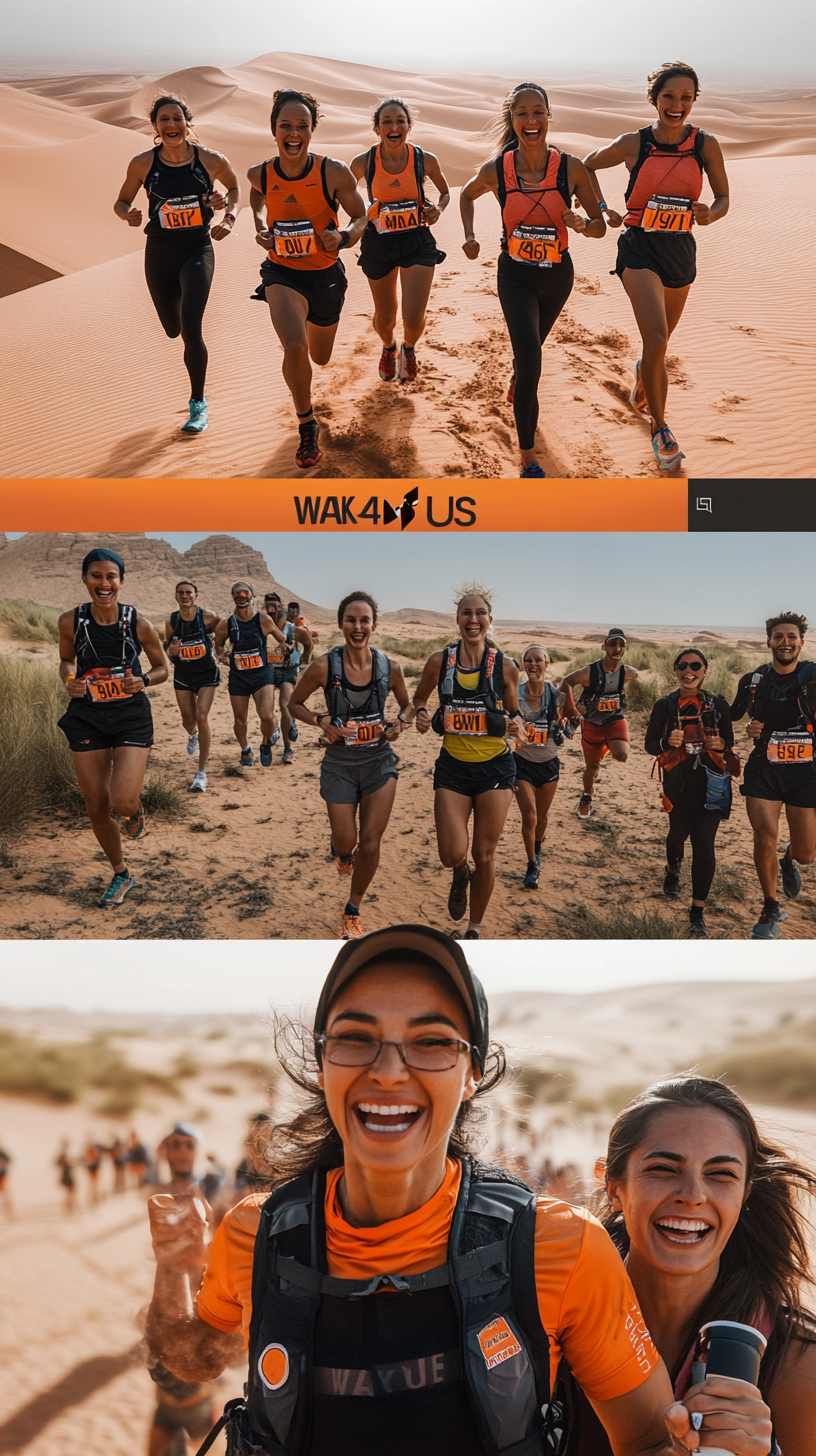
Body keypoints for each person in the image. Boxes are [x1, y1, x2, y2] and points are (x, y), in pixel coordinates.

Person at [145, 923, 728, 1456]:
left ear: (473, 1074)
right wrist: (173, 1269)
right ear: (323, 1065)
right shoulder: (260, 1234)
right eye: (355, 1037)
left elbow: (650, 1439)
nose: (390, 1071)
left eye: (431, 1042)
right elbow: (196, 1358)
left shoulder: (560, 1247)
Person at [576, 1073, 815, 1456]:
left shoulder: (798, 1366)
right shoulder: (551, 1321)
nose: (693, 1195)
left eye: (721, 1174)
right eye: (664, 1169)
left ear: (745, 1196)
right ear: (613, 1187)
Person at [583, 62, 730, 473]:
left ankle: (643, 375)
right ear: (655, 99)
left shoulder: (706, 145)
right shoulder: (634, 143)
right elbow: (587, 166)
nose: (677, 105)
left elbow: (723, 198)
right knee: (659, 339)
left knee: (657, 345)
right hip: (639, 248)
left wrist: (710, 214)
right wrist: (599, 208)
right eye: (669, 96)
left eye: (686, 97)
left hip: (681, 250)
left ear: (694, 101)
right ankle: (661, 430)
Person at [460, 83, 605, 478]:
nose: (531, 120)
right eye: (522, 113)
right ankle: (528, 459)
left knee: (531, 351)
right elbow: (467, 196)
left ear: (548, 116)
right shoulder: (498, 170)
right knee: (531, 366)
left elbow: (599, 227)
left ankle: (519, 376)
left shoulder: (571, 168)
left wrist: (583, 224)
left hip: (558, 277)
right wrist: (470, 236)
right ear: (512, 119)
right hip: (515, 276)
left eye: (538, 111)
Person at [248, 89, 368, 468]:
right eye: (286, 125)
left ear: (312, 131)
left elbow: (361, 215)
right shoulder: (260, 173)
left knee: (320, 356)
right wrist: (258, 223)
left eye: (302, 125)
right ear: (274, 130)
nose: (294, 133)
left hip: (326, 276)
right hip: (281, 273)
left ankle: (309, 392)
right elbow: (256, 194)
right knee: (295, 348)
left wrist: (345, 236)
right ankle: (305, 426)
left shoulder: (332, 172)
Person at [114, 94, 240, 435]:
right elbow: (121, 200)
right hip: (158, 252)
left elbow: (235, 190)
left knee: (191, 327)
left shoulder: (210, 160)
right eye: (164, 120)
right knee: (173, 328)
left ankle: (198, 405)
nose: (171, 125)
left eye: (177, 118)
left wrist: (227, 214)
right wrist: (128, 214)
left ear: (187, 123)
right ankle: (183, 308)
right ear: (155, 126)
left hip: (197, 248)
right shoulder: (143, 164)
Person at [290, 592, 411, 939]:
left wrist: (398, 725)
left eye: (364, 621)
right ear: (341, 623)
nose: (358, 627)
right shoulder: (325, 666)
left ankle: (352, 910)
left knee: (370, 844)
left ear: (374, 625)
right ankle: (342, 852)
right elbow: (294, 704)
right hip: (339, 763)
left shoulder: (391, 668)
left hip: (379, 762)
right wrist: (320, 719)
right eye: (351, 620)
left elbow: (406, 708)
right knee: (346, 845)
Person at [407, 587, 523, 939]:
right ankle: (459, 872)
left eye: (479, 613)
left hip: (496, 769)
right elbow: (419, 699)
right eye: (465, 613)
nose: (473, 620)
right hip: (453, 768)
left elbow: (516, 716)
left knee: (485, 854)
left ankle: (474, 930)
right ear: (457, 620)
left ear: (489, 619)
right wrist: (423, 715)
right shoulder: (439, 661)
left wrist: (516, 729)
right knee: (451, 853)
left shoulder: (505, 666)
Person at [57, 547, 168, 908]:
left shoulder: (138, 623)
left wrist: (144, 681)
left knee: (121, 801)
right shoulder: (69, 621)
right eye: (96, 576)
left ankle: (134, 813)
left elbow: (162, 668)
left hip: (130, 716)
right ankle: (121, 873)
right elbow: (65, 660)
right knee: (96, 806)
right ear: (85, 579)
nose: (104, 584)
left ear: (120, 581)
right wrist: (70, 679)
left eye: (111, 577)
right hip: (86, 716)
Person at [351, 97, 450, 383]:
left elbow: (445, 193)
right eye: (387, 122)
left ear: (409, 126)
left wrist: (439, 209)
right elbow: (341, 192)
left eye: (400, 121)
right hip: (379, 242)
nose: (394, 127)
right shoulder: (363, 162)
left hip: (416, 239)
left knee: (414, 318)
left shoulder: (424, 159)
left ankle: (409, 349)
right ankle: (388, 348)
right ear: (377, 129)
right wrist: (360, 213)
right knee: (385, 317)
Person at [730, 612, 816, 940]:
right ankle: (770, 907)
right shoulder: (755, 680)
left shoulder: (813, 678)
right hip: (765, 767)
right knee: (764, 837)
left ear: (801, 642)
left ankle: (788, 859)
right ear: (768, 641)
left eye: (791, 637)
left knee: (807, 854)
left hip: (805, 772)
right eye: (778, 636)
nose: (785, 642)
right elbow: (732, 713)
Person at [645, 650, 738, 939]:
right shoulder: (665, 705)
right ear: (675, 670)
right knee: (677, 835)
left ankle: (697, 912)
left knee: (703, 842)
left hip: (711, 784)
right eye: (683, 665)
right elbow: (650, 744)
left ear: (705, 671)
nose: (689, 670)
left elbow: (729, 743)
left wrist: (720, 743)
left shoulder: (719, 704)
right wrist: (666, 741)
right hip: (677, 785)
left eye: (695, 666)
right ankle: (673, 869)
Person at [147, 1123, 217, 1456]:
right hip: (169, 1305)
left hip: (208, 1312)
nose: (182, 1151)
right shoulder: (163, 1189)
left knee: (193, 1407)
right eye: (175, 1144)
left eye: (189, 1144)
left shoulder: (215, 1189)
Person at [560, 629, 639, 823]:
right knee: (592, 768)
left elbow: (634, 680)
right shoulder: (589, 672)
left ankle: (609, 746)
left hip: (614, 720)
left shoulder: (629, 673)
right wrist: (574, 708)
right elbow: (566, 683)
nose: (617, 648)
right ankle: (587, 796)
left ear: (626, 648)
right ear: (604, 646)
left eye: (621, 645)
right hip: (592, 724)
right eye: (612, 644)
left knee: (621, 755)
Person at [214, 582, 287, 768]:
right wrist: (223, 656)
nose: (241, 596)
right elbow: (218, 645)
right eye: (236, 593)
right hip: (238, 677)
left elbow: (282, 640)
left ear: (251, 596)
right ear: (232, 596)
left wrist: (278, 652)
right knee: (240, 720)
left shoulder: (263, 620)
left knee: (267, 716)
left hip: (262, 674)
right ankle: (245, 749)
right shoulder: (226, 624)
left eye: (245, 593)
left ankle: (267, 740)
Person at [511, 645, 566, 890]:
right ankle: (532, 864)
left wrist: (569, 723)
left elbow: (569, 723)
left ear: (547, 664)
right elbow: (504, 722)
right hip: (521, 763)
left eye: (538, 660)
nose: (533, 664)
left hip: (549, 763)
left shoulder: (556, 696)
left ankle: (537, 849)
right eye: (528, 660)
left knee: (541, 817)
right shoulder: (514, 694)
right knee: (530, 816)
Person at [165, 580, 221, 792]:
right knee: (188, 721)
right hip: (183, 675)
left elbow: (225, 632)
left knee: (202, 716)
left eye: (189, 592)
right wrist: (172, 651)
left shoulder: (208, 617)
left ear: (196, 595)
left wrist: (221, 648)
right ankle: (192, 734)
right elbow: (167, 649)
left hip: (207, 674)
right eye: (181, 592)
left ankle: (201, 773)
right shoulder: (172, 621)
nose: (185, 596)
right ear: (176, 596)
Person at [263, 593, 313, 765]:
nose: (271, 609)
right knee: (266, 711)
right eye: (268, 605)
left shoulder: (292, 628)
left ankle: (287, 748)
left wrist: (304, 662)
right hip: (267, 670)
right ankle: (272, 735)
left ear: (280, 607)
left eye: (275, 605)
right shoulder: (261, 624)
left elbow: (308, 643)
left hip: (287, 670)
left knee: (285, 706)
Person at [55, 1141, 76, 1215]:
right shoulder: (62, 1155)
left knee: (70, 1193)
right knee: (69, 1193)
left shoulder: (68, 1154)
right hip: (66, 1176)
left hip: (69, 1175)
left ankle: (69, 1208)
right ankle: (68, 1209)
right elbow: (56, 1164)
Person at [84, 1139, 103, 1204]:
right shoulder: (88, 1151)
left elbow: (97, 1161)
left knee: (95, 1184)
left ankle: (96, 1197)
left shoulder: (95, 1151)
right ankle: (93, 1197)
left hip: (95, 1169)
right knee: (92, 1184)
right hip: (91, 1170)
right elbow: (86, 1161)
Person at [0, 1144, 13, 1217]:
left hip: (3, 1175)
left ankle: (8, 1208)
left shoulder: (3, 1153)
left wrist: (4, 1166)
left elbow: (9, 1161)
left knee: (5, 1192)